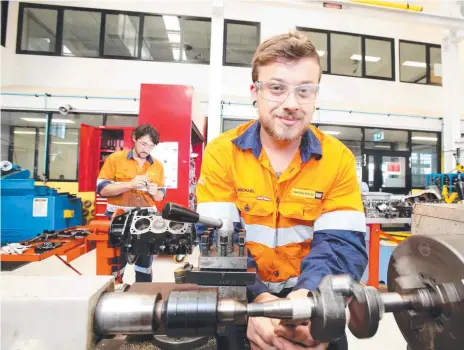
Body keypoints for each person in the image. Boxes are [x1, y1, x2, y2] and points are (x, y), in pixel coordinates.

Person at [196, 31, 368, 350]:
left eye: (304, 91)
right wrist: (257, 302)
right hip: (243, 306)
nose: (291, 104)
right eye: (277, 88)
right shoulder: (222, 154)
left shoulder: (338, 159)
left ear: (315, 94)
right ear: (255, 91)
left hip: (315, 309)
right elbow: (216, 241)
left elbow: (342, 244)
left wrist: (308, 301)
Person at [97, 123, 166, 282]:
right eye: (143, 143)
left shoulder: (158, 165)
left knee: (144, 263)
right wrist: (130, 184)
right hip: (119, 219)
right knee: (116, 262)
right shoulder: (115, 159)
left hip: (146, 220)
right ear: (134, 138)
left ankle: (144, 296)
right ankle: (113, 296)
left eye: (151, 146)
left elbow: (160, 196)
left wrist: (155, 191)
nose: (146, 149)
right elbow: (102, 189)